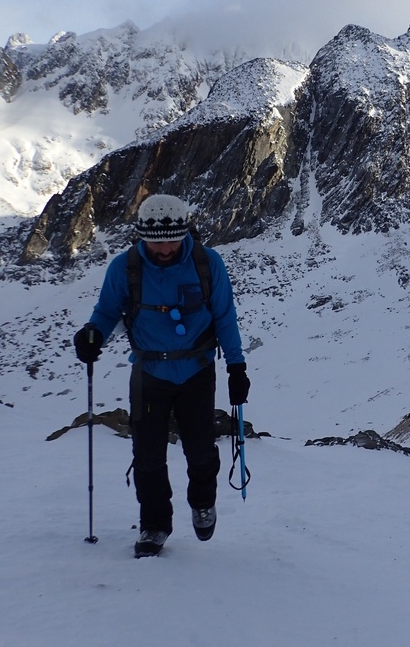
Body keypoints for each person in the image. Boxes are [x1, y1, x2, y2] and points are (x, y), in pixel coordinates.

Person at [73, 194, 250, 558]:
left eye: (172, 239)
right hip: (149, 372)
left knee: (200, 451)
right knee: (148, 455)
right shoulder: (125, 268)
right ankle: (154, 524)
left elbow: (224, 316)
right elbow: (106, 312)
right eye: (157, 241)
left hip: (197, 371)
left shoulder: (206, 263)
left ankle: (203, 502)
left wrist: (236, 367)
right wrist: (92, 334)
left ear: (184, 232)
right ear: (142, 236)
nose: (166, 248)